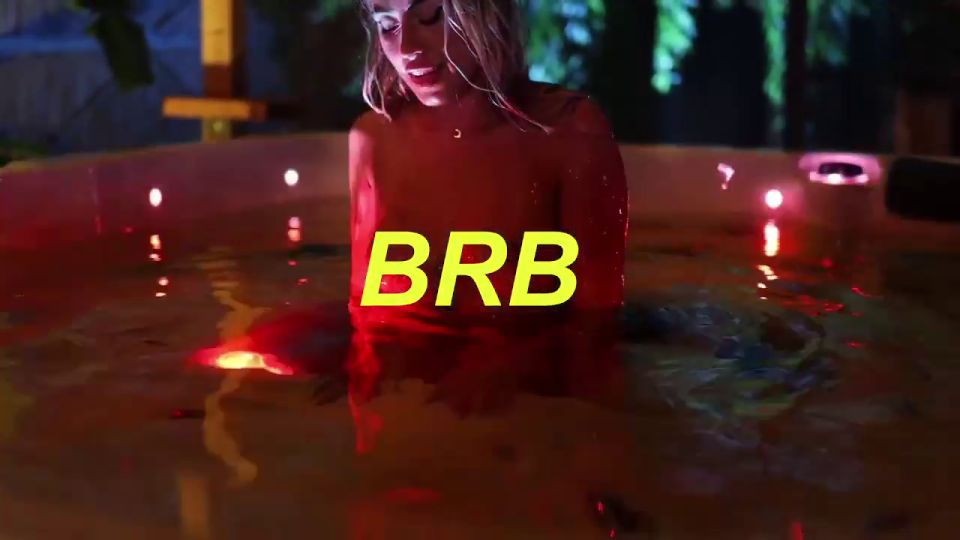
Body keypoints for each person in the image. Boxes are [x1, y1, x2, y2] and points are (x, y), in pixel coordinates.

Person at [348, 0, 629, 344]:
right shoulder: (374, 139)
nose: (407, 48)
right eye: (387, 25)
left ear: (487, 11)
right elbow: (365, 313)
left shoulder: (569, 134)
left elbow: (597, 324)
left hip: (526, 372)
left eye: (431, 16)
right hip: (402, 368)